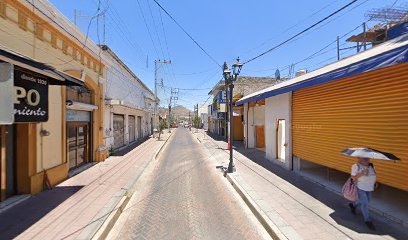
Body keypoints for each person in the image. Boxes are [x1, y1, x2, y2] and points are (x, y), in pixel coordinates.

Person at [349, 157, 377, 230]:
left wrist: (374, 182)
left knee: (367, 201)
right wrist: (362, 173)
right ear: (359, 158)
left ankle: (353, 205)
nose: (367, 159)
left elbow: (374, 175)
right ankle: (368, 221)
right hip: (361, 187)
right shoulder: (356, 166)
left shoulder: (371, 165)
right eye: (364, 158)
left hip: (369, 188)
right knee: (365, 204)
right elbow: (353, 177)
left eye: (368, 158)